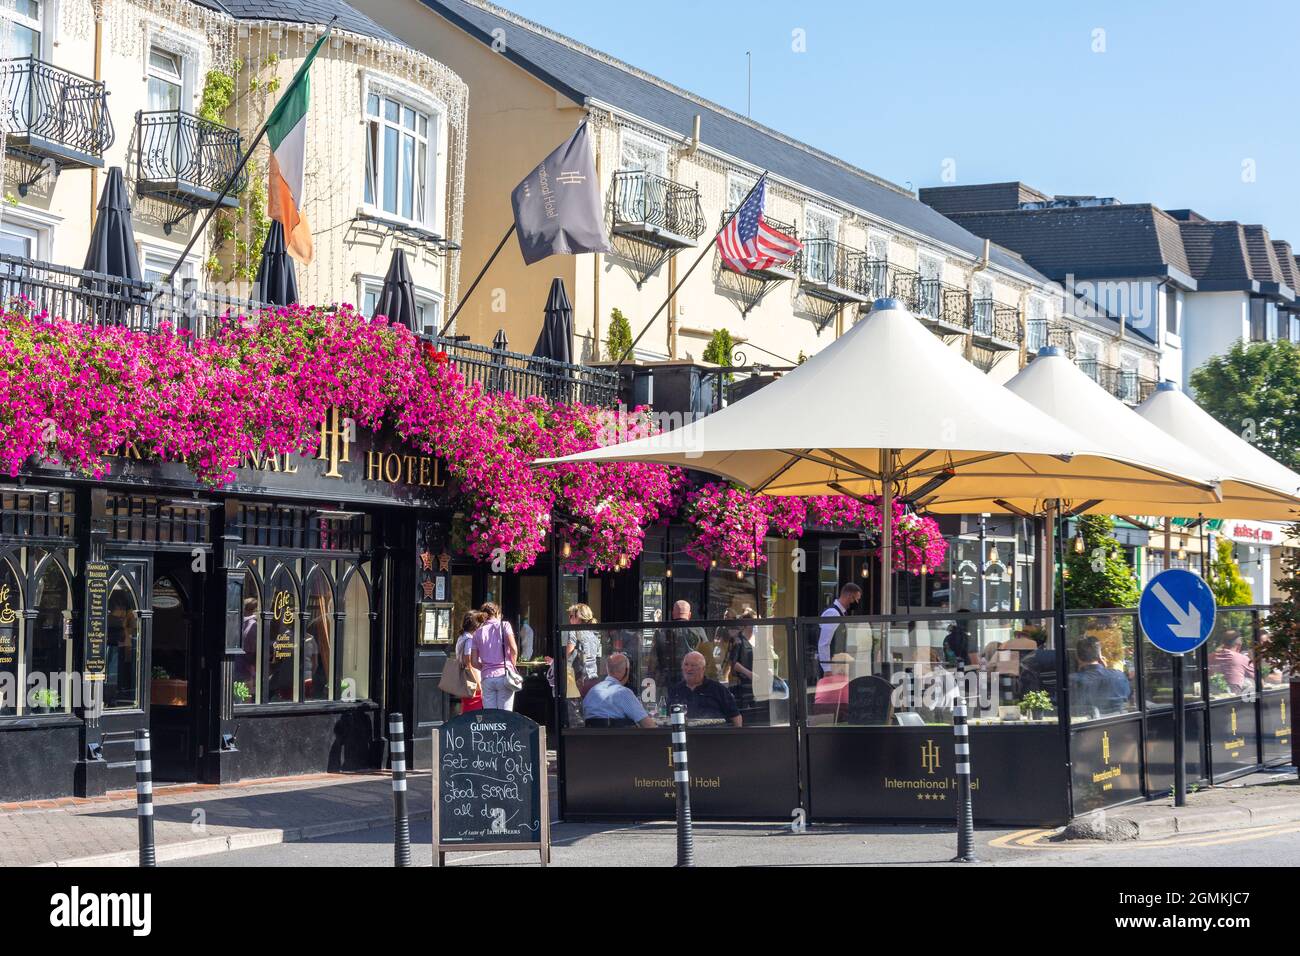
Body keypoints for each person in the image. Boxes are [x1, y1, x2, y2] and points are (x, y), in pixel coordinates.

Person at [581, 652, 656, 728]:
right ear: (626, 671)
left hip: (591, 739)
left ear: (608, 670)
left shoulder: (592, 692)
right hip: (620, 739)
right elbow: (648, 726)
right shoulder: (623, 693)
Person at [668, 651, 741, 726]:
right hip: (682, 734)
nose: (688, 669)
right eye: (686, 665)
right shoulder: (676, 690)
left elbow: (735, 716)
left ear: (703, 669)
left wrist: (737, 736)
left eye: (693, 665)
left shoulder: (718, 689)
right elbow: (667, 716)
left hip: (712, 735)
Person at [471, 602, 520, 711]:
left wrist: (484, 668)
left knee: (490, 717)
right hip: (504, 675)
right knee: (505, 715)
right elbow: (514, 649)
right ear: (497, 612)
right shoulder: (505, 625)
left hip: (487, 677)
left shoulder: (477, 633)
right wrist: (512, 664)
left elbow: (473, 661)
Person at [1069, 636, 1131, 717]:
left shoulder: (1073, 680)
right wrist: (1105, 669)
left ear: (1077, 656)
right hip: (1119, 724)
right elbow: (1127, 698)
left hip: (1089, 726)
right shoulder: (1119, 676)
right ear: (1100, 656)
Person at [654, 600, 708, 677]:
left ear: (673, 614)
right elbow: (707, 655)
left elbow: (654, 658)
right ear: (689, 615)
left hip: (669, 676)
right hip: (693, 675)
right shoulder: (699, 630)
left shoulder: (662, 631)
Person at [818, 583, 862, 675]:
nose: (857, 603)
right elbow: (824, 643)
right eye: (856, 599)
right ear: (849, 596)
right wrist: (827, 669)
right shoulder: (833, 613)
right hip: (832, 667)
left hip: (838, 666)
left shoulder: (841, 613)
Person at [564, 603, 601, 688]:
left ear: (579, 617)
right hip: (593, 677)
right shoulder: (594, 634)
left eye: (571, 616)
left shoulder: (573, 632)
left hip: (579, 679)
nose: (569, 619)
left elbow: (569, 658)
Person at [454, 611, 484, 713]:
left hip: (463, 677)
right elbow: (469, 663)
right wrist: (478, 684)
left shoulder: (461, 637)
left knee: (467, 705)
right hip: (472, 678)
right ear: (476, 625)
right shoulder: (470, 640)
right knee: (474, 707)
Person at [1209, 629, 1255, 694]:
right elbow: (1259, 682)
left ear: (1223, 643)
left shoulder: (1209, 657)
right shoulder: (1242, 659)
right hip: (1235, 699)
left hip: (1212, 699)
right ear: (1239, 645)